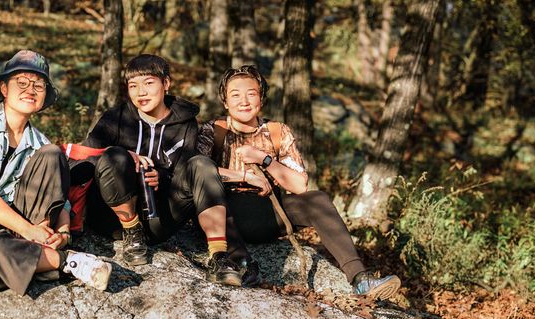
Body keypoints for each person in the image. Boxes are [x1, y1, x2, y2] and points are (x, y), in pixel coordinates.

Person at [196, 65, 401, 299]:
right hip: (226, 214)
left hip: (269, 211)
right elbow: (196, 173)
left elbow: (299, 185)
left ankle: (360, 279)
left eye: (251, 94)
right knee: (217, 201)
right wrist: (244, 176)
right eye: (235, 95)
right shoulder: (213, 131)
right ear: (225, 102)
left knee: (317, 199)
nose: (244, 101)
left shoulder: (277, 131)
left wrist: (264, 159)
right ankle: (241, 265)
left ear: (261, 99)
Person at [0, 49, 112, 293]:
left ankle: (32, 255)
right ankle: (64, 262)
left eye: (39, 85)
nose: (30, 90)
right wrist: (30, 231)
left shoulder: (41, 143)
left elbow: (59, 200)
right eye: (21, 82)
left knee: (54, 153)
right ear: (4, 88)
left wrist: (63, 233)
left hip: (25, 229)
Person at [83, 54, 244, 287]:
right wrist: (124, 157)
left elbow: (186, 174)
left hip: (162, 217)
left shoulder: (185, 122)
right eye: (133, 86)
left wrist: (163, 177)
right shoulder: (115, 118)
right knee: (114, 156)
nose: (141, 93)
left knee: (202, 164)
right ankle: (132, 232)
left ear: (166, 84)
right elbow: (84, 157)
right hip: (113, 219)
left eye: (148, 83)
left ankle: (218, 255)